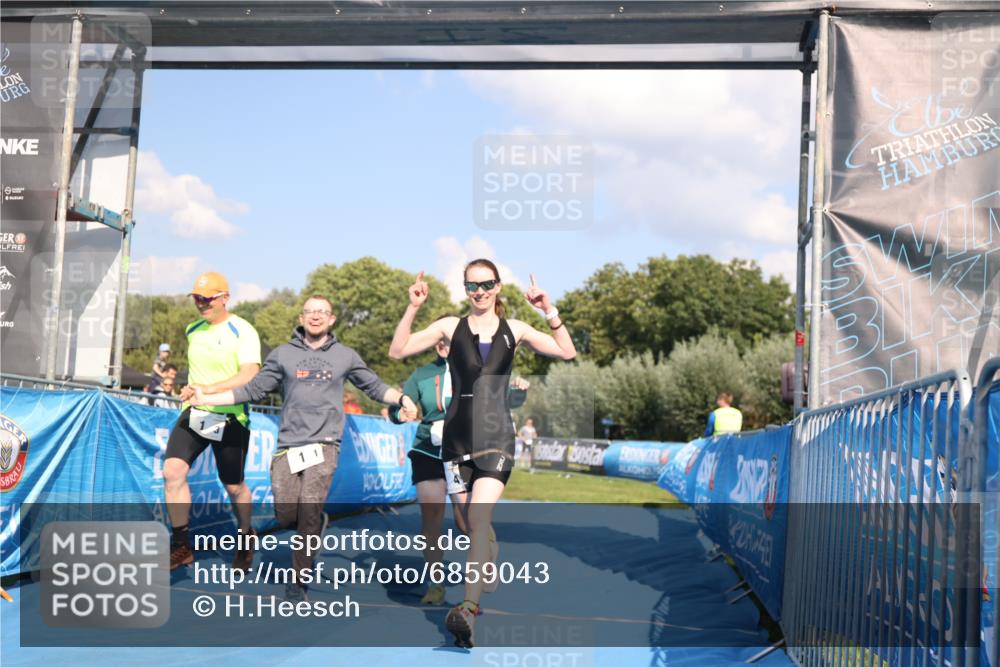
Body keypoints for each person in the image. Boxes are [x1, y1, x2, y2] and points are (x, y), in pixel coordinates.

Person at [388, 259, 576, 648]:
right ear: (465, 289)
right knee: (466, 523)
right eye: (472, 286)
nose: (480, 292)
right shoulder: (449, 327)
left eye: (487, 284)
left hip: (496, 435)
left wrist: (548, 309)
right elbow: (398, 350)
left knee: (477, 515)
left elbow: (566, 351)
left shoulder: (516, 329)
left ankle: (468, 608)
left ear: (498, 287)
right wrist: (413, 307)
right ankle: (488, 553)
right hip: (456, 438)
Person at [194, 295, 418, 601]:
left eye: (322, 312)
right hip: (289, 445)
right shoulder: (283, 355)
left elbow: (374, 386)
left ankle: (298, 579)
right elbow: (253, 390)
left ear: (331, 319)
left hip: (325, 444)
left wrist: (402, 398)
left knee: (310, 506)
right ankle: (314, 523)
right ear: (301, 318)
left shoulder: (345, 356)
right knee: (286, 515)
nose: (315, 316)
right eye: (310, 311)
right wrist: (207, 398)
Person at [388, 322, 529, 606]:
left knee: (466, 520)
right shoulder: (422, 374)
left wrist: (519, 391)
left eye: (450, 339)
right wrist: (400, 413)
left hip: (463, 448)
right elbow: (398, 407)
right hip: (429, 450)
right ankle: (435, 584)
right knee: (431, 516)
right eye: (440, 339)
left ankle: (488, 552)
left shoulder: (478, 369)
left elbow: (504, 401)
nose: (444, 344)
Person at [163, 272, 262, 572]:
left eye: (207, 298)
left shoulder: (242, 330)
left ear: (225, 298)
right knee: (172, 471)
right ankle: (181, 546)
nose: (201, 304)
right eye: (197, 298)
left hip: (230, 416)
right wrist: (192, 390)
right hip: (197, 413)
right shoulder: (193, 329)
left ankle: (246, 535)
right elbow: (199, 374)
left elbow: (249, 374)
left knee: (233, 486)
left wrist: (210, 389)